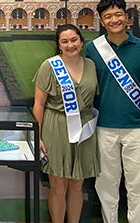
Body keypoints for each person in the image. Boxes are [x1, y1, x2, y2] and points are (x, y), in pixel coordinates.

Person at [84, 0, 140, 223]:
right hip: (104, 126)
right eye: (108, 17)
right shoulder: (93, 49)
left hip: (138, 127)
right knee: (106, 185)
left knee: (138, 186)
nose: (114, 20)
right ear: (102, 21)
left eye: (118, 14)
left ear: (126, 16)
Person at [32, 24, 99, 223]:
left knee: (78, 186)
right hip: (57, 128)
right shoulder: (49, 66)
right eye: (65, 41)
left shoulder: (91, 65)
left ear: (81, 41)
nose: (70, 45)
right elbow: (39, 105)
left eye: (74, 40)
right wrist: (39, 136)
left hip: (84, 129)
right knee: (58, 186)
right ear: (59, 45)